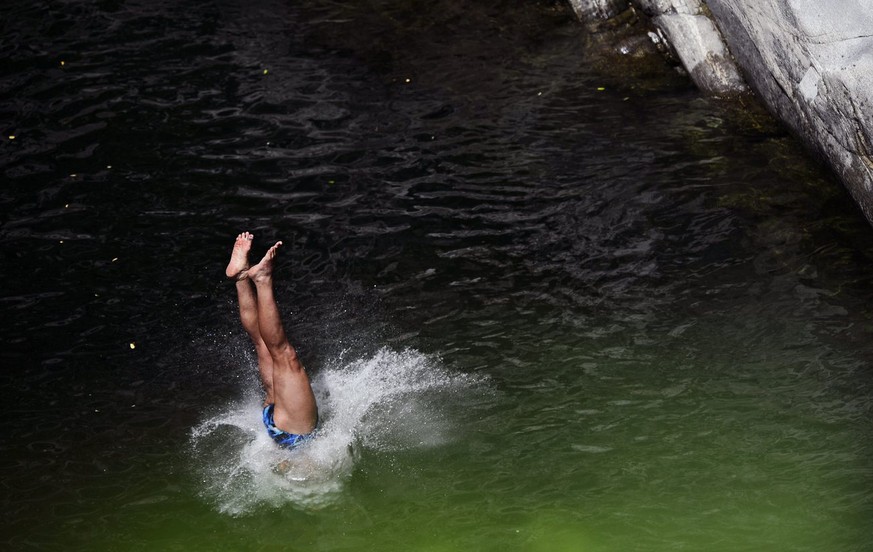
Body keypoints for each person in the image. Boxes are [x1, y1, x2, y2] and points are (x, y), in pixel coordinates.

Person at [225, 232, 318, 449]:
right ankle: (241, 277)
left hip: (295, 432)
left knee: (284, 354)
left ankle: (261, 279)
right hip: (277, 419)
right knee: (262, 343)